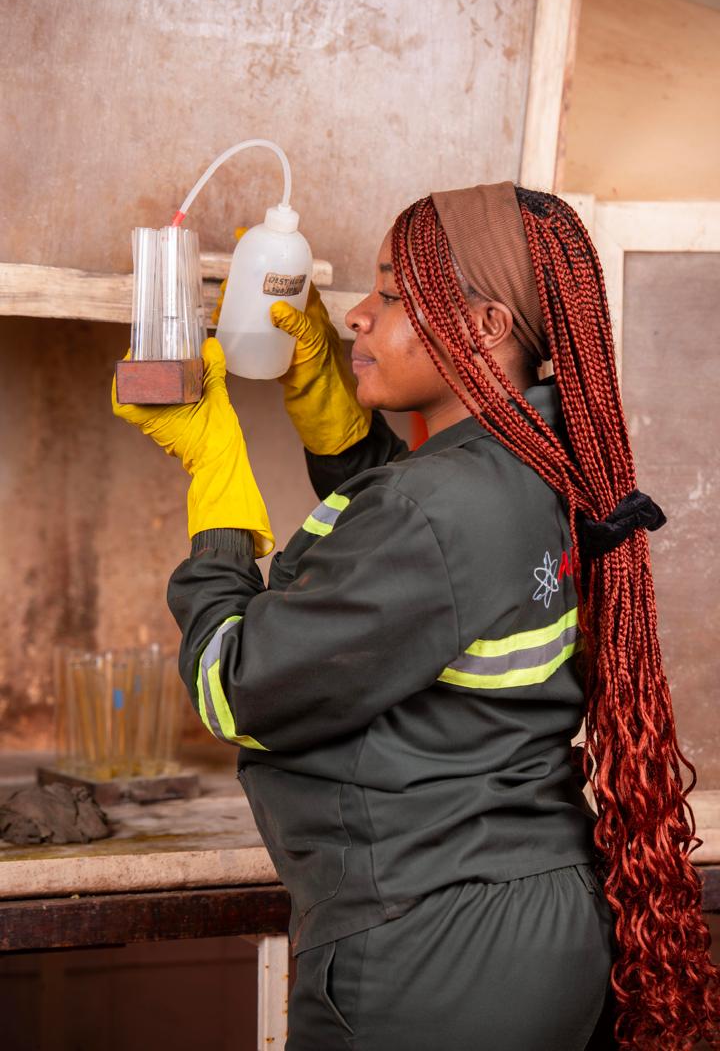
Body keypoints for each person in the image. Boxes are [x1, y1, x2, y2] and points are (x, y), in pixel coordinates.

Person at [112, 182, 718, 1050]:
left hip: (431, 954)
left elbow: (233, 690)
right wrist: (335, 430)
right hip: (537, 917)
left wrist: (218, 493)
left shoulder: (441, 507)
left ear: (485, 328)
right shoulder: (542, 465)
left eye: (395, 295)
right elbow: (427, 574)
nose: (358, 315)